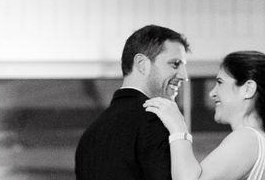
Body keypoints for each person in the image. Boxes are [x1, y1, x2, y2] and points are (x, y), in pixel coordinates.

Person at [144, 50, 265, 180]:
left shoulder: (248, 138)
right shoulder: (256, 140)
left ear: (248, 89)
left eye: (220, 82)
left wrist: (178, 128)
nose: (212, 93)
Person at [75, 24, 191, 180]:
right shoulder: (154, 119)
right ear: (142, 64)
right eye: (175, 64)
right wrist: (180, 132)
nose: (184, 75)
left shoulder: (91, 135)